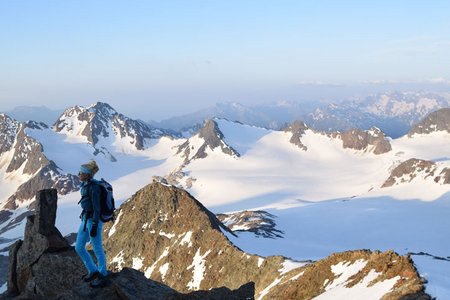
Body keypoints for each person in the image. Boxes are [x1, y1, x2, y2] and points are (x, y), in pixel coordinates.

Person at [75, 159, 108, 288]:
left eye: (81, 173)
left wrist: (94, 224)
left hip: (93, 220)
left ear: (87, 175)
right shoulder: (85, 185)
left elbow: (97, 208)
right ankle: (92, 270)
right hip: (85, 219)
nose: (79, 174)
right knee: (79, 247)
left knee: (97, 248)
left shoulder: (94, 188)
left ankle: (102, 274)